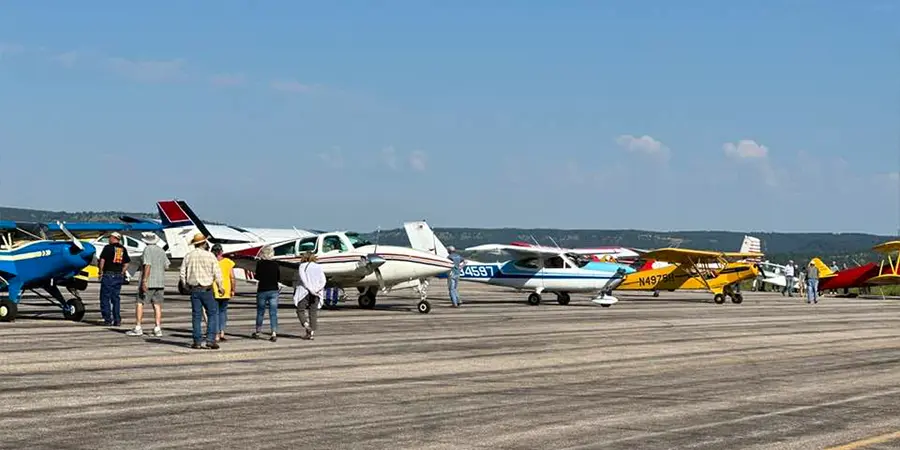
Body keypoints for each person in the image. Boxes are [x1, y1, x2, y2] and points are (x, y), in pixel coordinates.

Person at [179, 233, 223, 349]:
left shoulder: (188, 256)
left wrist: (185, 285)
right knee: (212, 313)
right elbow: (217, 273)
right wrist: (220, 286)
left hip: (194, 289)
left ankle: (197, 341)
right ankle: (210, 339)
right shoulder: (210, 256)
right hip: (207, 289)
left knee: (196, 316)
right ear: (204, 243)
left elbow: (182, 272)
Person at [126, 232, 169, 337]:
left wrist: (144, 280)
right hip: (160, 282)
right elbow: (166, 265)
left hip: (149, 281)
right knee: (157, 305)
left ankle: (138, 327)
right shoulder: (161, 251)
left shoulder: (147, 250)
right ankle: (157, 328)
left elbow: (147, 265)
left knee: (140, 303)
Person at [98, 232, 131, 326]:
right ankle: (117, 319)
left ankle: (107, 319)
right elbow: (127, 262)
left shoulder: (107, 248)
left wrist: (100, 272)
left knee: (105, 297)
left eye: (110, 237)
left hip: (108, 274)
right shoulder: (122, 249)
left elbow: (102, 260)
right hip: (118, 276)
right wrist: (122, 271)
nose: (109, 239)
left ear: (113, 238)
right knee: (115, 298)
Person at [293, 252, 326, 340]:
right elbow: (323, 281)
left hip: (305, 292)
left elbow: (304, 280)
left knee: (300, 310)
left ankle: (306, 325)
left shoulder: (302, 266)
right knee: (313, 312)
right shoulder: (318, 266)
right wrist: (317, 289)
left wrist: (310, 289)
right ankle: (311, 333)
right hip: (316, 292)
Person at [253, 245, 281, 342]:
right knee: (273, 313)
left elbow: (257, 276)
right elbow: (278, 277)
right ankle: (273, 332)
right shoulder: (276, 264)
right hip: (274, 290)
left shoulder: (260, 264)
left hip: (262, 290)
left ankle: (258, 331)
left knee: (260, 312)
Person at [212, 244, 235, 342]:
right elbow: (232, 277)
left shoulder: (211, 262)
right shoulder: (228, 262)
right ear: (221, 251)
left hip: (214, 290)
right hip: (226, 290)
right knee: (223, 312)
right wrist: (233, 289)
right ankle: (222, 332)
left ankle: (216, 333)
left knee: (215, 313)